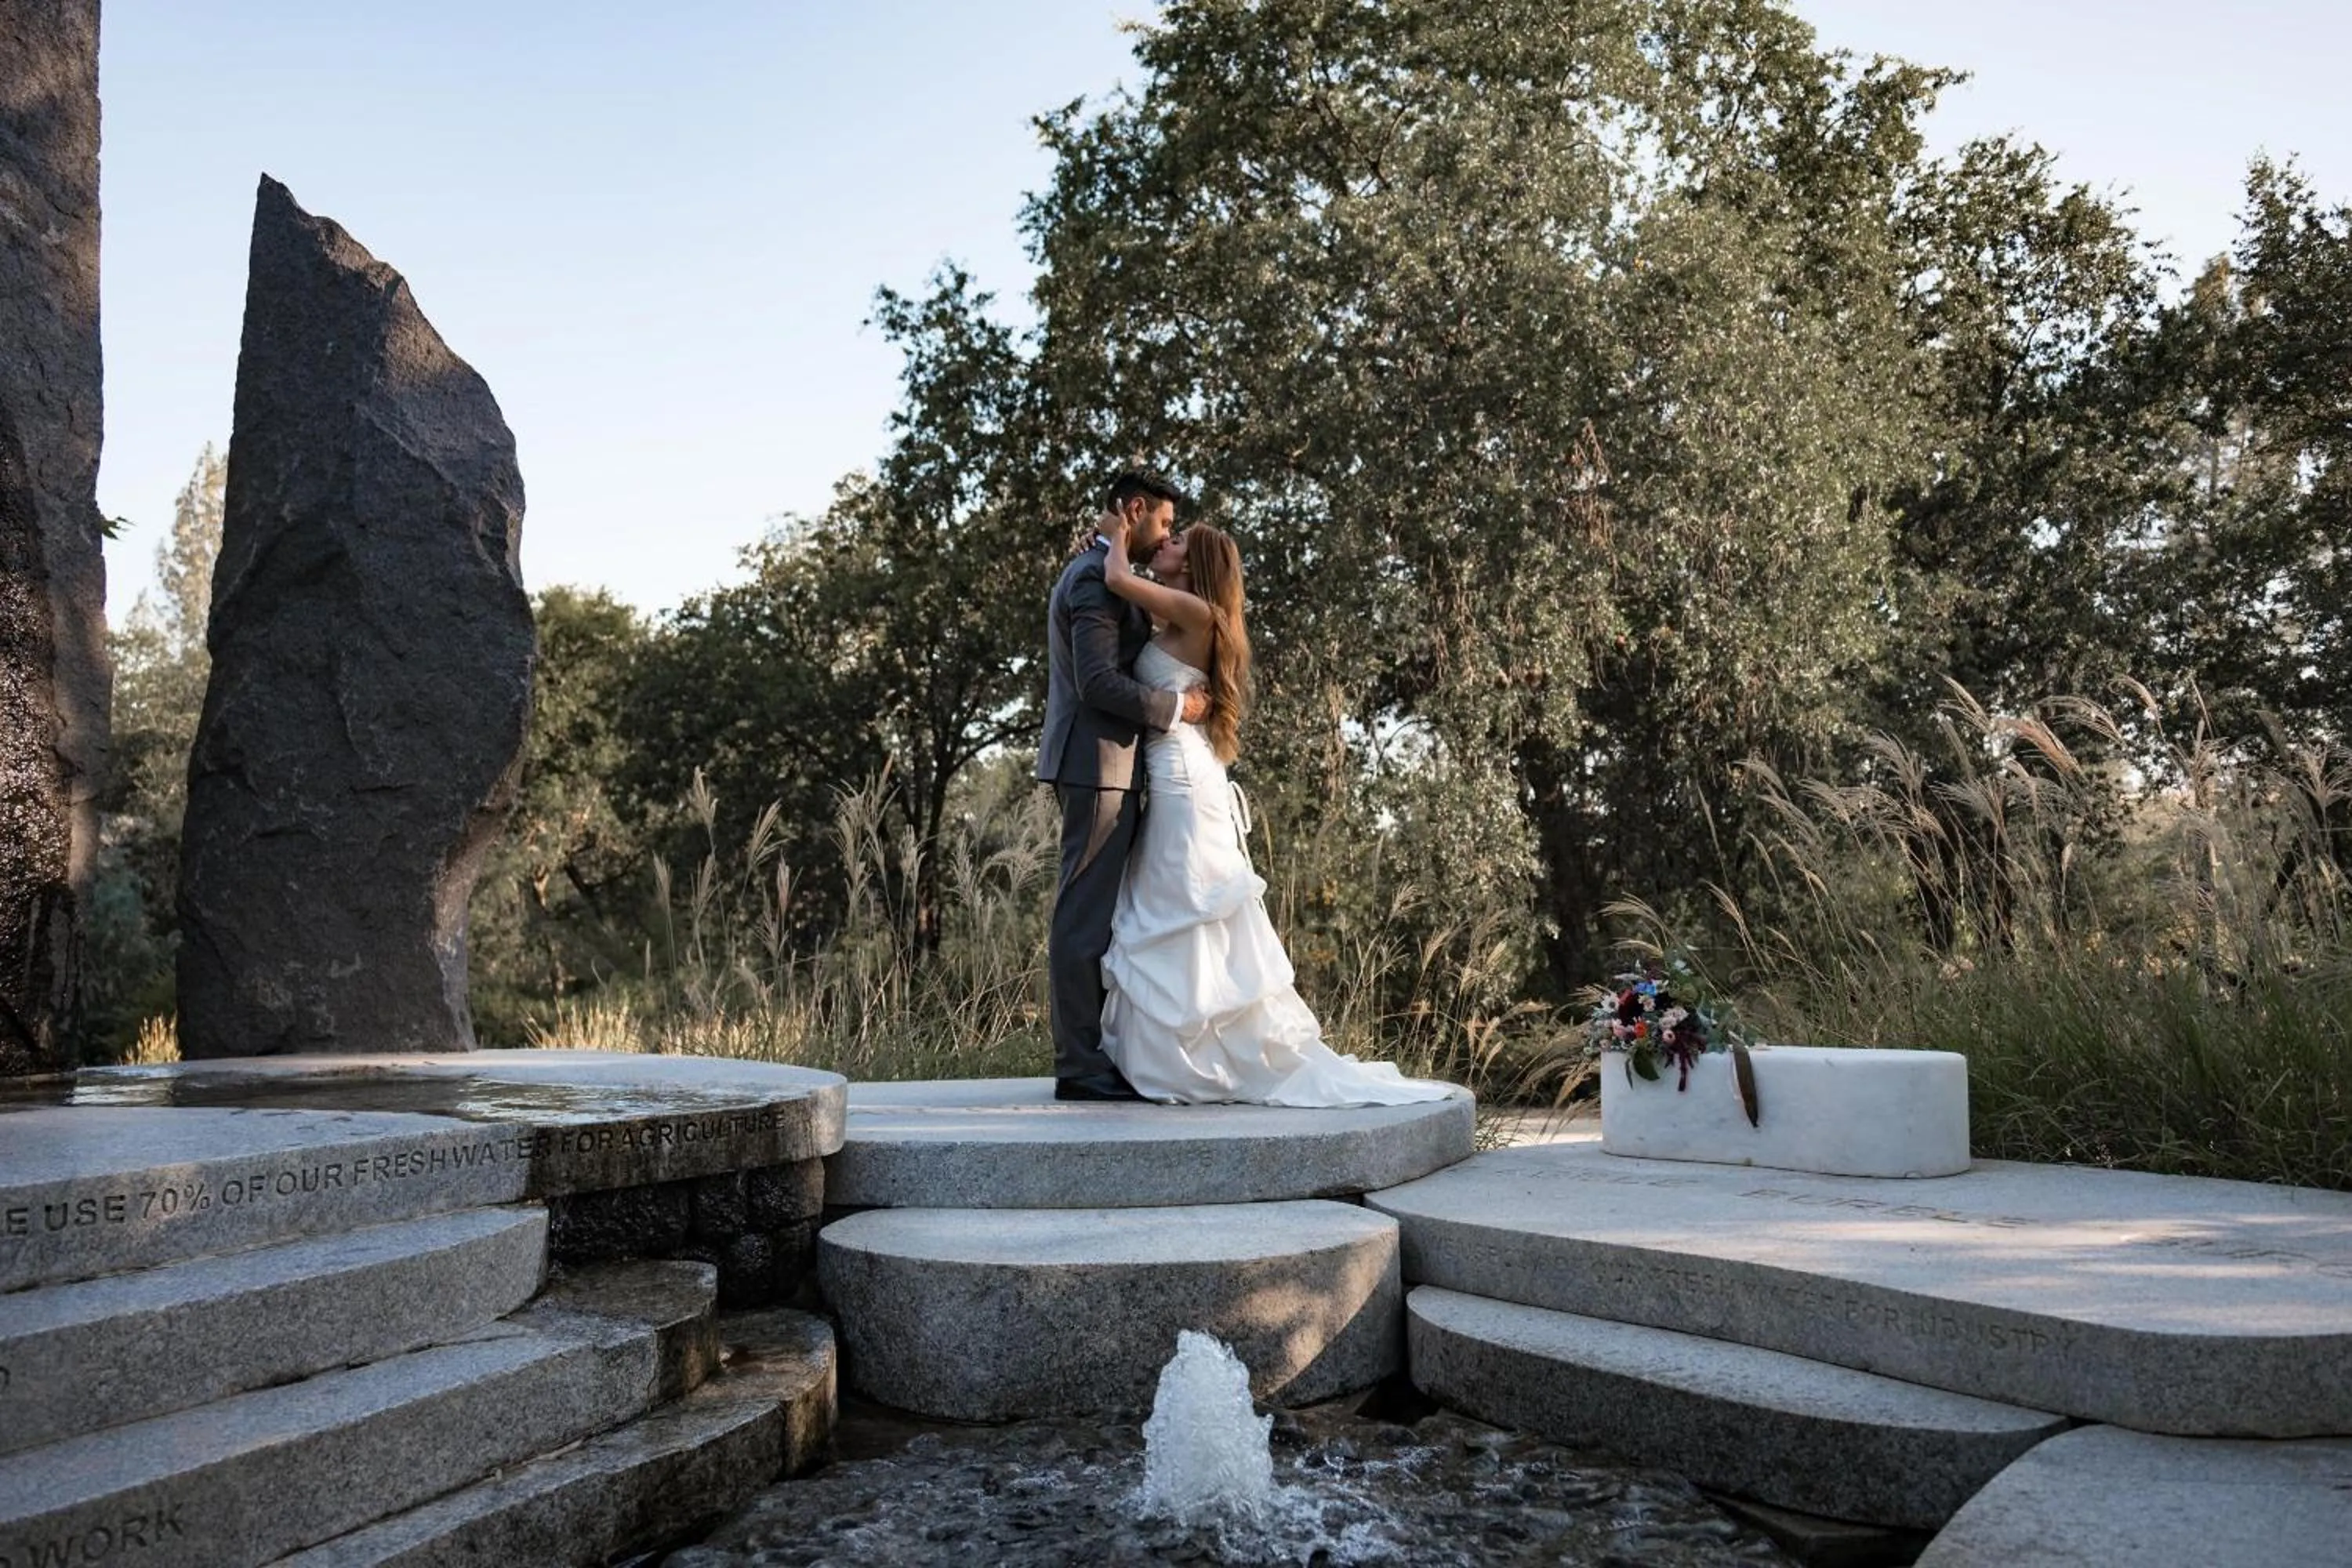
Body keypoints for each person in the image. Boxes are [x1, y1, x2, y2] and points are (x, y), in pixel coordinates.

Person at [1091, 510, 1461, 1107]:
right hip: (1180, 773)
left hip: (1183, 780)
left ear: (1195, 564)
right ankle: (1194, 1050)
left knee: (1184, 905)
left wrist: (1114, 534)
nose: (1165, 542)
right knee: (1178, 906)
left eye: (1177, 539)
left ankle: (1199, 1059)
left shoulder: (1196, 611)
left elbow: (1116, 578)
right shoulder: (1181, 615)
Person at [1036, 470, 1210, 1101]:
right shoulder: (1092, 578)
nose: (1165, 535)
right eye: (1163, 523)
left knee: (1100, 916)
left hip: (1111, 766)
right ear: (1135, 510)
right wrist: (1177, 709)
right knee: (1082, 918)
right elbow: (1097, 683)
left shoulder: (1105, 571)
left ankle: (1100, 1054)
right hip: (1097, 765)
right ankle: (1080, 1067)